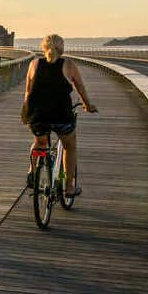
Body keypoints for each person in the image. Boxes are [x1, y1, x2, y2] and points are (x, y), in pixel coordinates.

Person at [23, 33, 97, 197]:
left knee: (40, 142)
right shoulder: (68, 65)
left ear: (44, 47)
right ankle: (69, 187)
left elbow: (28, 93)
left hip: (38, 115)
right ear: (61, 48)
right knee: (69, 147)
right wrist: (87, 104)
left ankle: (32, 171)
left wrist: (27, 113)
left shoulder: (34, 64)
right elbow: (80, 87)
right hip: (61, 115)